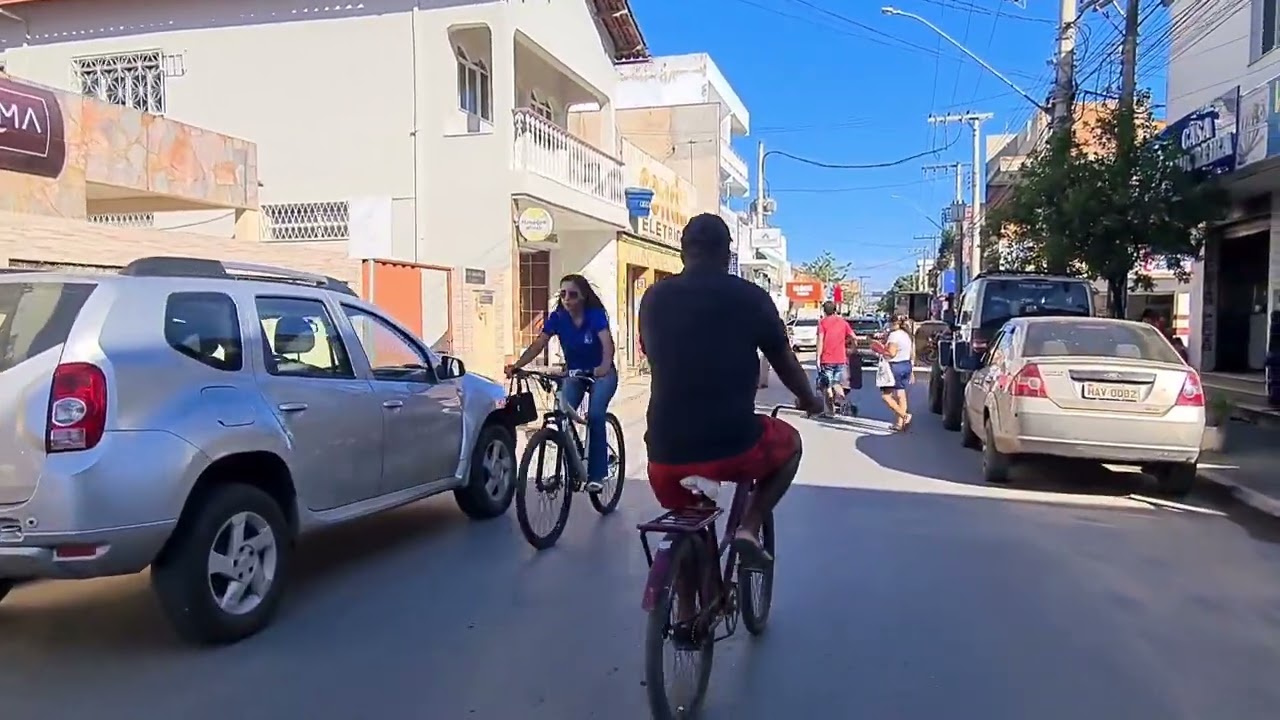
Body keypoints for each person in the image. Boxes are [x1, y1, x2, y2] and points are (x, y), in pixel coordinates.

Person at [639, 213, 823, 570]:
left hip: (663, 453)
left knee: (687, 523)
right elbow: (783, 360)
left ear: (682, 251)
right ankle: (749, 528)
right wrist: (810, 400)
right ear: (727, 254)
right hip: (735, 446)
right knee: (791, 445)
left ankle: (685, 598)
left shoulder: (653, 297)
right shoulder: (751, 297)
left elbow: (651, 351)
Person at [506, 274, 618, 492]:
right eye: (563, 294)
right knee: (561, 416)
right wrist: (517, 366)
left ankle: (597, 474)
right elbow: (539, 343)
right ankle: (565, 469)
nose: (567, 299)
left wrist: (604, 367)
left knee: (596, 415)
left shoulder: (594, 315)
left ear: (583, 297)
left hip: (601, 373)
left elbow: (607, 344)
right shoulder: (558, 318)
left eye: (573, 294)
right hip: (575, 373)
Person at [877, 315, 915, 431]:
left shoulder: (894, 336)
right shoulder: (907, 335)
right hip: (906, 364)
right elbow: (912, 353)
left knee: (886, 396)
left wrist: (879, 350)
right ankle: (899, 424)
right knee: (901, 394)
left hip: (895, 366)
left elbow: (891, 353)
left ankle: (904, 416)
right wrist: (912, 370)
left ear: (893, 323)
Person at [816, 301, 854, 416]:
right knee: (836, 383)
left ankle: (830, 411)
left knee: (827, 385)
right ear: (835, 310)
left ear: (824, 311)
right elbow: (853, 336)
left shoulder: (822, 322)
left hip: (827, 358)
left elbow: (820, 340)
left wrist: (818, 357)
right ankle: (844, 403)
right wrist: (848, 346)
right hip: (840, 358)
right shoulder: (843, 322)